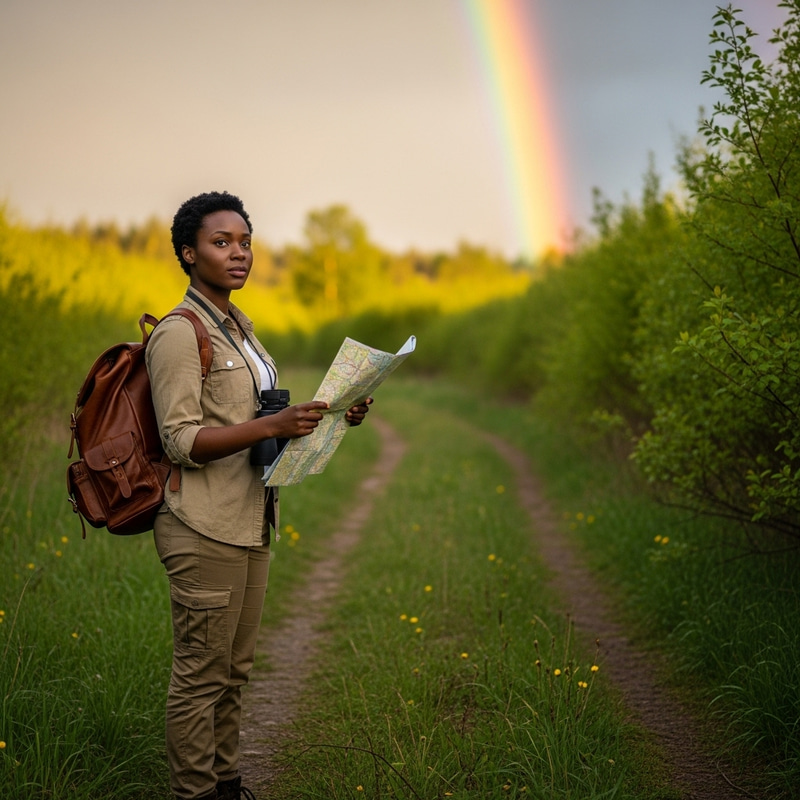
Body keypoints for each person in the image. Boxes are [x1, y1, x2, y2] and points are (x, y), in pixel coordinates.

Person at [146, 191, 371, 800]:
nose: (238, 253)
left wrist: (331, 416)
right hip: (200, 524)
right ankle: (195, 793)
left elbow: (261, 419)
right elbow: (181, 440)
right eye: (222, 243)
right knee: (201, 675)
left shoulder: (240, 330)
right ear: (189, 254)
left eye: (245, 242)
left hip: (251, 521)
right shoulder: (178, 332)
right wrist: (274, 425)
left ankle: (226, 783)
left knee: (234, 672)